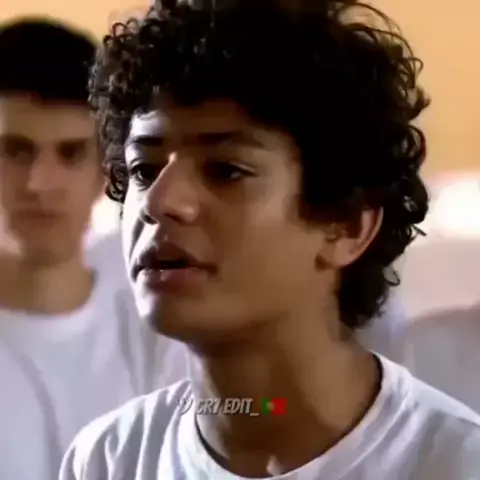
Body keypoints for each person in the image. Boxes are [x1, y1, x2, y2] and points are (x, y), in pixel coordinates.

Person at [61, 1, 480, 478]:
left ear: (347, 225)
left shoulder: (454, 464)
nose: (160, 201)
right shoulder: (110, 459)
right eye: (143, 170)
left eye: (225, 171)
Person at [0, 18, 187, 480]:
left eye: (70, 153)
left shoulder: (158, 313)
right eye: (16, 151)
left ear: (107, 170)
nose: (39, 184)